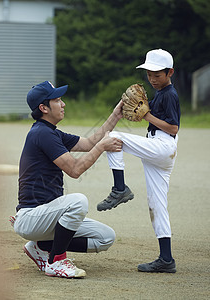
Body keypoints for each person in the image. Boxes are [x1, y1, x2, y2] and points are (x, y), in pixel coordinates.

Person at [13, 80, 123, 278]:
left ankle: (41, 246)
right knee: (78, 202)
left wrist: (116, 114)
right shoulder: (42, 133)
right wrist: (103, 147)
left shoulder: (51, 132)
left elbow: (90, 143)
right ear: (43, 108)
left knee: (105, 237)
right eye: (57, 100)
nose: (63, 104)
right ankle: (56, 260)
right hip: (32, 217)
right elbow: (75, 169)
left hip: (46, 216)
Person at [97, 49, 181, 273]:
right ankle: (166, 259)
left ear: (169, 72)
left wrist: (147, 116)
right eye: (149, 74)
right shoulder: (160, 93)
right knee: (157, 205)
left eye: (157, 74)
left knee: (114, 138)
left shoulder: (170, 94)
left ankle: (120, 188)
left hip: (163, 146)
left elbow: (173, 127)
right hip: (159, 151)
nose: (152, 79)